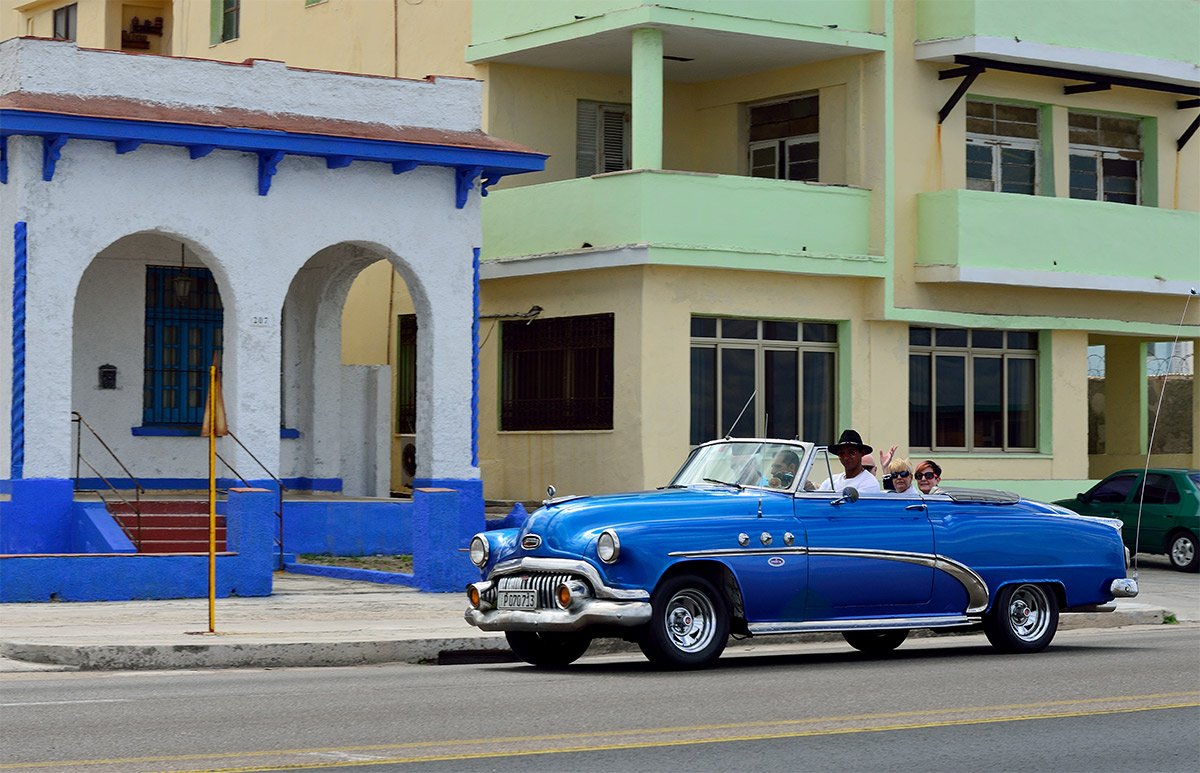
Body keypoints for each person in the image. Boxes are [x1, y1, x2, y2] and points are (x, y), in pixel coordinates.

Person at [820, 429, 881, 493]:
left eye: (851, 453)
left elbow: (852, 503)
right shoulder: (831, 481)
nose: (846, 457)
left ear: (862, 453)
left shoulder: (869, 483)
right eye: (841, 453)